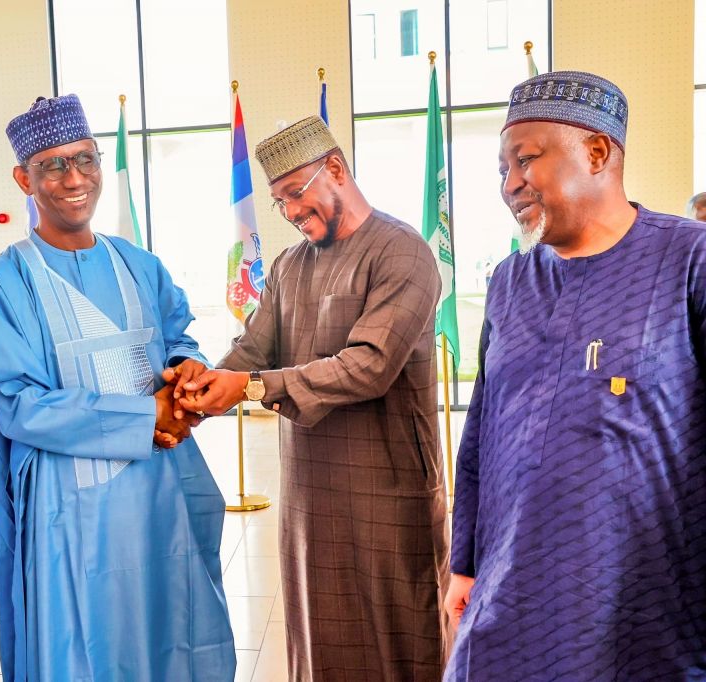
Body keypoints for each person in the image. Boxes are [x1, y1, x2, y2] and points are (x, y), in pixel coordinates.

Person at [0, 94, 235, 681]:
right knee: (83, 647)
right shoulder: (4, 284)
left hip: (159, 492)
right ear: (24, 178)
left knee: (171, 630)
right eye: (52, 165)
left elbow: (177, 338)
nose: (74, 178)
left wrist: (186, 377)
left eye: (86, 160)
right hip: (69, 508)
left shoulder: (139, 264)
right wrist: (143, 417)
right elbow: (20, 409)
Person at [444, 70, 706, 679]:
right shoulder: (511, 282)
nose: (510, 184)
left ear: (596, 152)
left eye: (526, 160)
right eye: (501, 170)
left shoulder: (688, 259)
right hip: (510, 591)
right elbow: (481, 432)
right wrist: (465, 562)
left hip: (644, 602)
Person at [177, 115, 449, 681]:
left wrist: (250, 387)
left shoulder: (402, 253)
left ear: (336, 169)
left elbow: (368, 367)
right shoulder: (289, 265)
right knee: (319, 641)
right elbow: (254, 349)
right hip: (309, 494)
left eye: (296, 194)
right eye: (279, 202)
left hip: (389, 490)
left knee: (400, 642)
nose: (292, 213)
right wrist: (203, 385)